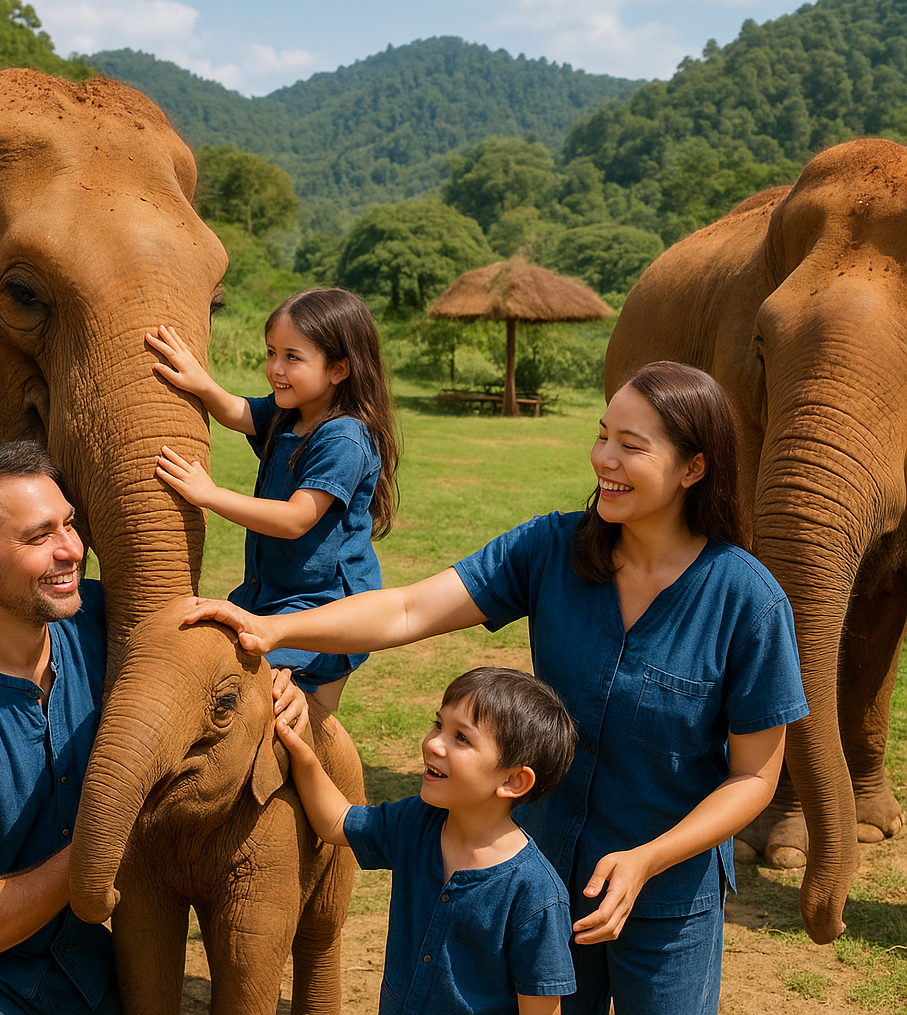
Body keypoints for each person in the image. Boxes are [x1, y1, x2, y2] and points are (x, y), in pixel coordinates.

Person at [183, 361, 809, 1015]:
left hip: (668, 898)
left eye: (631, 445)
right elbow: (409, 610)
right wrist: (274, 627)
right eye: (602, 435)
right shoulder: (553, 548)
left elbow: (753, 778)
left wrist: (648, 859)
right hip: (544, 885)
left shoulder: (746, 601)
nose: (604, 459)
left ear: (693, 468)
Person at [0, 442, 308, 1015]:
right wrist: (99, 844)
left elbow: (213, 673)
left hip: (86, 963)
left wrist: (271, 687)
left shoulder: (100, 624)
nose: (71, 550)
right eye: (38, 537)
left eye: (69, 524)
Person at [148, 287, 400, 711]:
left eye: (292, 357)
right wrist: (201, 383)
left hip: (322, 610)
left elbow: (296, 518)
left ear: (339, 369)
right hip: (267, 597)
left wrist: (211, 495)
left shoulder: (344, 437)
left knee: (293, 712)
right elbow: (240, 413)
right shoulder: (291, 413)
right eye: (271, 353)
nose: (275, 369)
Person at [277, 666, 578, 1015]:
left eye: (461, 738)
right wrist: (302, 753)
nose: (433, 743)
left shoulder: (536, 895)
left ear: (513, 781)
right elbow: (336, 821)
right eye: (438, 725)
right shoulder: (418, 822)